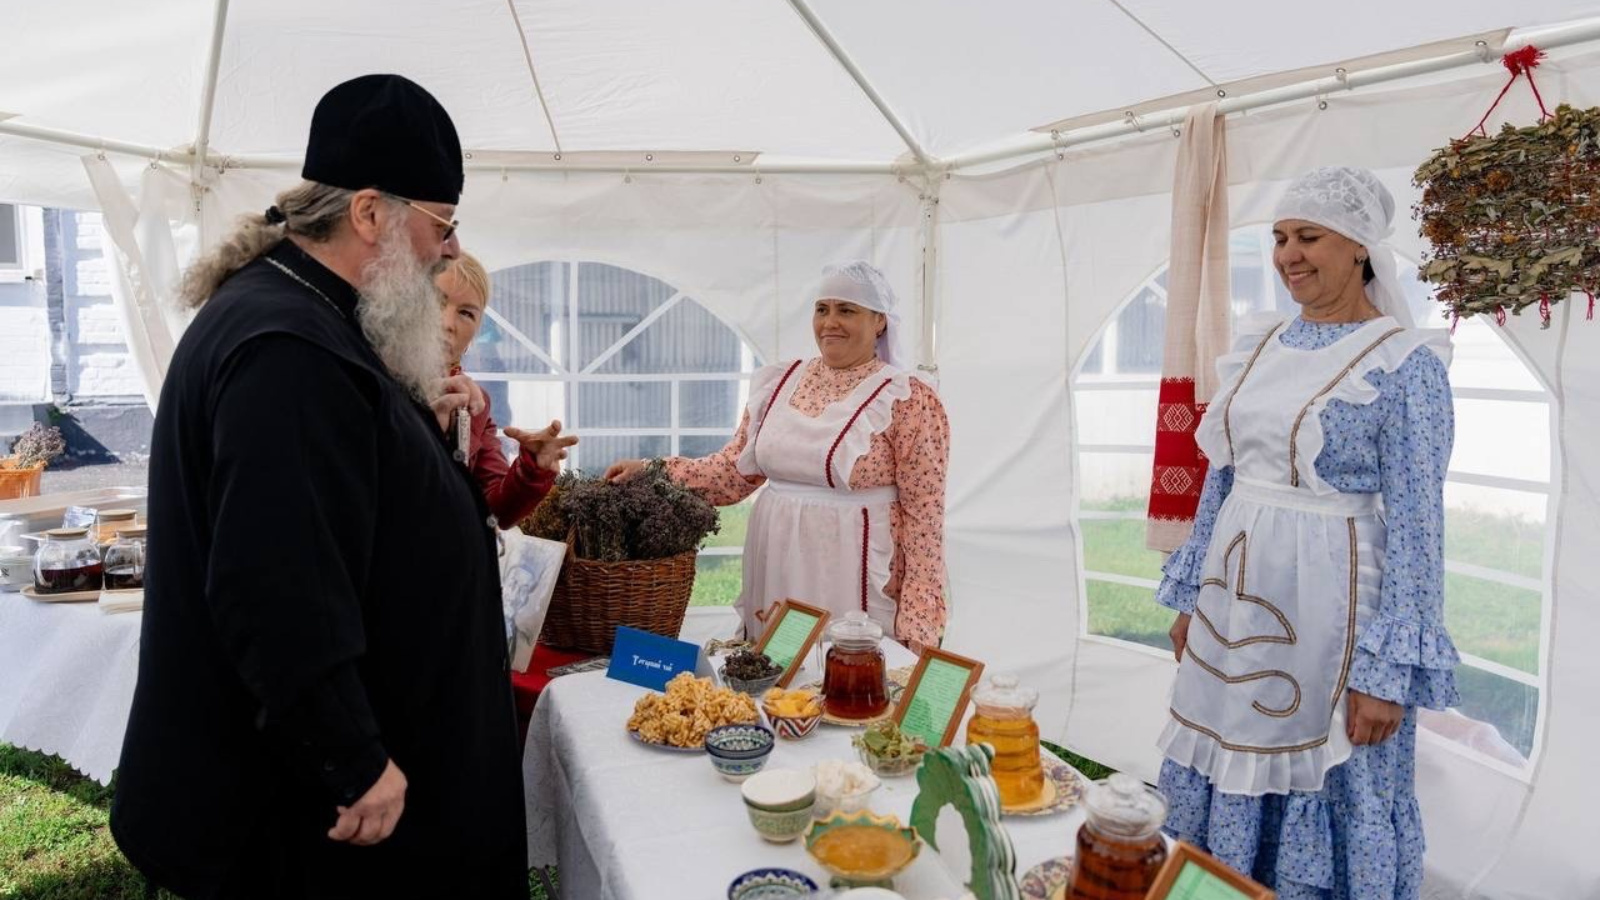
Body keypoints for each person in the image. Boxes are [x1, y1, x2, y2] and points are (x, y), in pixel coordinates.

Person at [111, 75, 527, 899]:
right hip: (312, 812)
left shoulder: (308, 315)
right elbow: (274, 580)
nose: (449, 250)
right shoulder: (288, 349)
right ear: (370, 212)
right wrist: (352, 756)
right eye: (441, 225)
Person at [1154, 166, 1457, 898]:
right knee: (1227, 744)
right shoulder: (1259, 345)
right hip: (1237, 592)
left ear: (1358, 246)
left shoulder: (1405, 364)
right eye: (1281, 237)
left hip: (1333, 608)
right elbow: (1220, 478)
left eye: (1308, 236)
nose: (1289, 254)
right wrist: (1194, 595)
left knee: (1318, 764)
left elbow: (1420, 523)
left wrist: (1385, 675)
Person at [606, 261, 950, 651]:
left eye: (847, 310)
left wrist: (919, 624)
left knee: (847, 680)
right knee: (776, 677)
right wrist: (653, 471)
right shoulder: (780, 382)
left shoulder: (907, 399)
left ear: (880, 323)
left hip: (854, 571)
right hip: (777, 560)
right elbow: (732, 473)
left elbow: (925, 520)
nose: (830, 322)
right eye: (822, 309)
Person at [435, 252, 576, 527]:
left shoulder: (476, 404)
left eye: (466, 313)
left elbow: (496, 511)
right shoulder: (370, 380)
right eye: (436, 302)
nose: (447, 324)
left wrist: (532, 468)